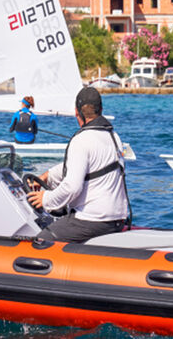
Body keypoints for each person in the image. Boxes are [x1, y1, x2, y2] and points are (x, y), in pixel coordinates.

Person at [26, 87, 130, 242]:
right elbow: (88, 165)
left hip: (93, 220)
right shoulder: (113, 137)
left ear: (77, 112)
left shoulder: (81, 140)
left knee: (40, 242)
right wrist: (46, 177)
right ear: (100, 110)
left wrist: (45, 199)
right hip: (117, 219)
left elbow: (72, 187)